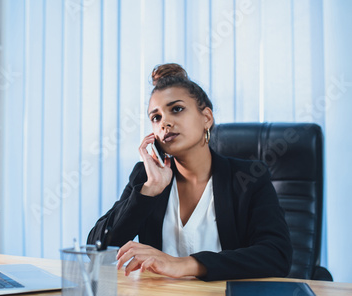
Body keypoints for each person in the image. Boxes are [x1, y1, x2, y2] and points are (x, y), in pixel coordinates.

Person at [87, 63, 292, 281]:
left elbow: (277, 255)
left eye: (176, 109)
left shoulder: (249, 177)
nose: (164, 122)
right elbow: (96, 248)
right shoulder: (147, 177)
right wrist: (148, 191)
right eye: (156, 117)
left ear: (206, 118)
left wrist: (184, 264)